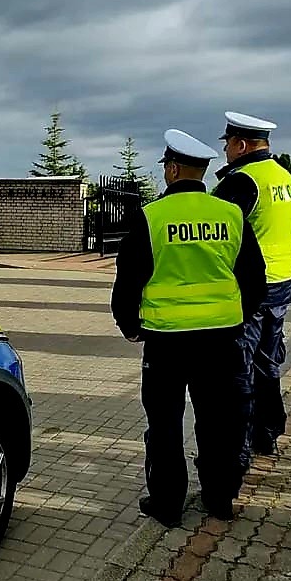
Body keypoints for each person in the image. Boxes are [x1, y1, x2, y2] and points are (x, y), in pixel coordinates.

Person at [111, 129, 266, 524]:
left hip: (166, 344)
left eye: (166, 166)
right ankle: (219, 499)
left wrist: (129, 325)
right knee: (218, 423)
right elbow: (254, 278)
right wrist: (236, 317)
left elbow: (129, 279)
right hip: (221, 341)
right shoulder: (230, 215)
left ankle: (167, 505)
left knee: (164, 425)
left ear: (174, 169)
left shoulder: (151, 217)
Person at [212, 112, 291, 460]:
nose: (227, 152)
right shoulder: (283, 176)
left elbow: (222, 235)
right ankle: (268, 433)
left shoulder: (242, 180)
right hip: (282, 283)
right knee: (268, 363)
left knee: (240, 368)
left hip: (249, 289)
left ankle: (241, 448)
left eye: (229, 144)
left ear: (242, 144)